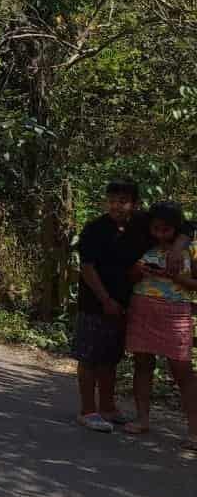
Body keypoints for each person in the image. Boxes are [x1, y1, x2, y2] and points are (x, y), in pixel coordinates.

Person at [73, 181, 191, 433]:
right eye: (112, 200)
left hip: (128, 303)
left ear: (135, 204)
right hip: (96, 302)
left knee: (110, 357)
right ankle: (87, 410)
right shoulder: (95, 229)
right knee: (89, 356)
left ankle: (107, 407)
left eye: (123, 200)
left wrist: (178, 248)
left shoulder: (141, 225)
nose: (116, 205)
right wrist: (105, 299)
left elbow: (185, 225)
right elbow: (87, 268)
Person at [122, 203, 197, 449]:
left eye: (166, 229)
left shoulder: (191, 250)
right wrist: (137, 270)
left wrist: (178, 278)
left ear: (176, 229)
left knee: (182, 370)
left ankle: (194, 430)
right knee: (143, 364)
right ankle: (142, 418)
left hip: (175, 312)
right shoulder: (145, 246)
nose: (160, 233)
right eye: (156, 229)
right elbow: (130, 278)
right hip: (143, 309)